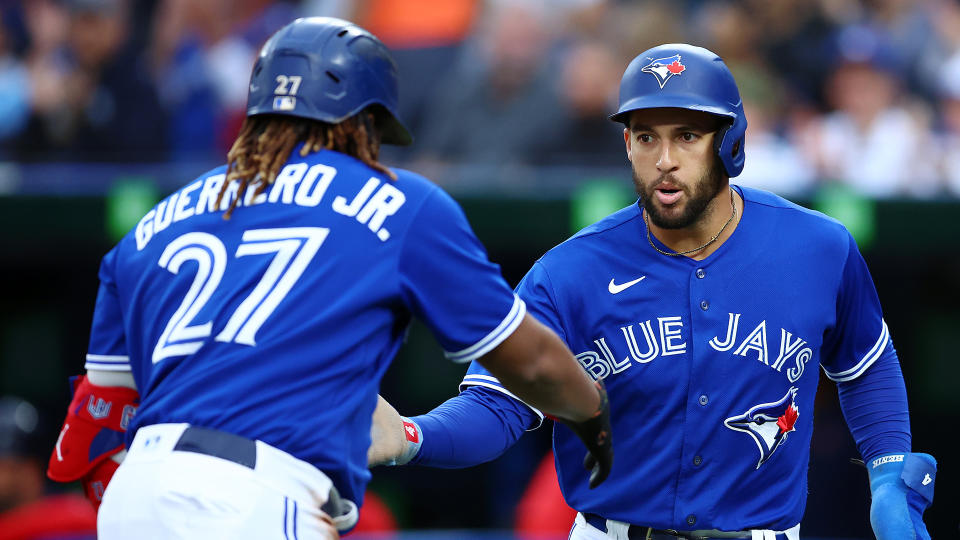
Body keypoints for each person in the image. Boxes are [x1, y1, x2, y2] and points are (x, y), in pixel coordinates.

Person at [43, 17, 612, 540]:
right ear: (363, 121)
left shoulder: (154, 222)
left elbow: (99, 421)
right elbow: (531, 363)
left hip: (136, 490)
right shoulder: (399, 202)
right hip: (255, 494)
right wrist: (593, 413)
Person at [368, 43, 937, 539]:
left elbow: (865, 364)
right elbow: (499, 406)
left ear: (729, 142)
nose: (664, 160)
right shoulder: (568, 272)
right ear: (627, 145)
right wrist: (414, 436)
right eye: (646, 137)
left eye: (687, 135)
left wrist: (888, 472)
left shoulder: (819, 247)